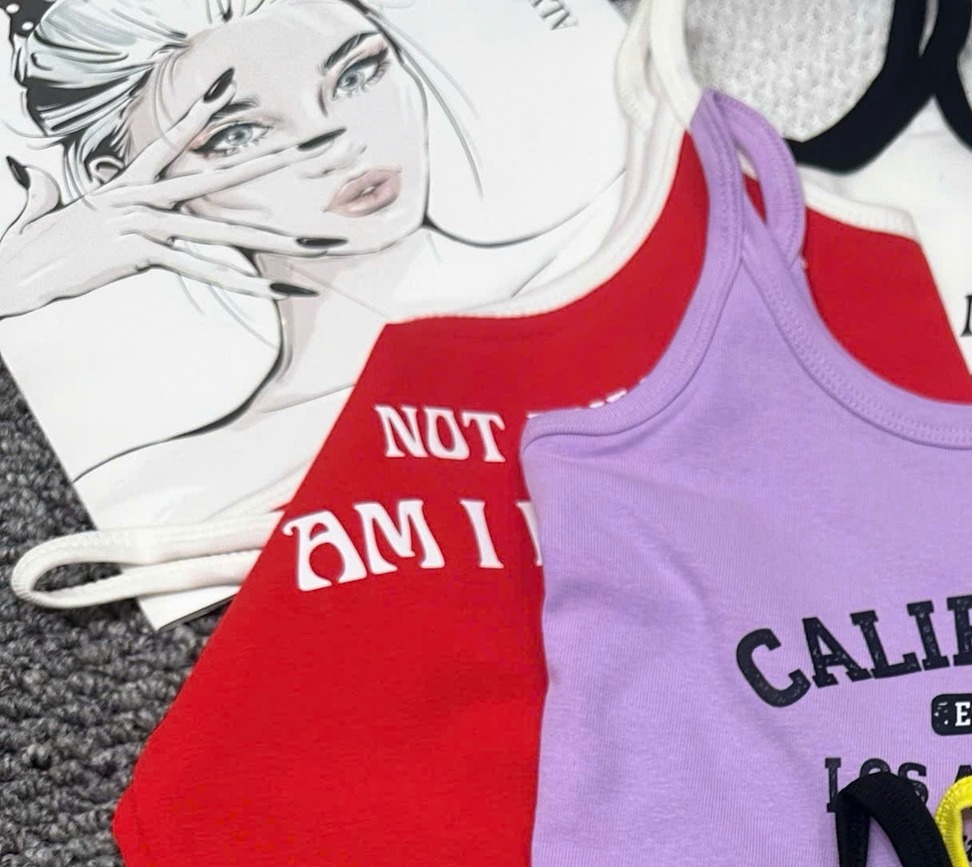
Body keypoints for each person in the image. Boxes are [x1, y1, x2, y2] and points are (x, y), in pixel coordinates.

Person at [0, 0, 622, 526]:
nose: (333, 140)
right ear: (122, 182)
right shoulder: (188, 489)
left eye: (356, 75)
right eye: (237, 135)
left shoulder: (610, 247)